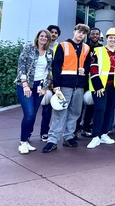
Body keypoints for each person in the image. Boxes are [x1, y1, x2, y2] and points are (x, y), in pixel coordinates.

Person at [43, 24, 91, 153]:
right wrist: (56, 85)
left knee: (75, 112)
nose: (81, 34)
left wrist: (85, 70)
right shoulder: (63, 45)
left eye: (83, 33)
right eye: (79, 32)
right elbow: (56, 66)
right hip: (64, 84)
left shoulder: (87, 48)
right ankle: (52, 140)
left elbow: (88, 65)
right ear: (74, 31)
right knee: (60, 111)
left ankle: (68, 137)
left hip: (79, 85)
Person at [87, 28, 115, 149]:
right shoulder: (97, 51)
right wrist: (98, 86)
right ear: (106, 38)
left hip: (114, 86)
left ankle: (104, 133)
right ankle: (95, 136)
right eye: (110, 37)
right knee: (100, 109)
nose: (113, 39)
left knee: (110, 109)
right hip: (100, 86)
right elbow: (93, 67)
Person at [16, 29, 53, 154]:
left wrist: (45, 87)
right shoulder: (29, 49)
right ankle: (22, 142)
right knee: (29, 114)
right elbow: (21, 66)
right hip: (25, 85)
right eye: (41, 36)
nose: (43, 38)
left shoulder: (49, 52)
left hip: (39, 87)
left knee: (34, 114)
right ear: (37, 37)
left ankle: (26, 139)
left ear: (48, 39)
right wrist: (25, 84)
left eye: (46, 37)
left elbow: (48, 71)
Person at [39, 24, 60, 142]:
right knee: (46, 109)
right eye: (51, 32)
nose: (53, 34)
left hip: (56, 82)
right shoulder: (42, 47)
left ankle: (54, 133)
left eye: (56, 33)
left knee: (57, 108)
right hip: (44, 82)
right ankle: (44, 132)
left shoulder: (60, 47)